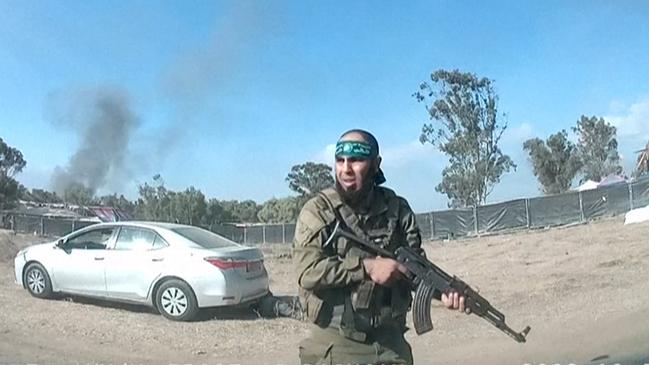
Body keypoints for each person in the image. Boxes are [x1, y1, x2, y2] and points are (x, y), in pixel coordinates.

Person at [293, 129, 467, 365]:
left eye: (356, 160)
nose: (346, 169)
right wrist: (366, 267)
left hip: (391, 345)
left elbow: (414, 270)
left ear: (376, 164)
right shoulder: (318, 211)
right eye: (340, 160)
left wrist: (442, 292)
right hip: (336, 345)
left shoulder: (397, 209)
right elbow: (307, 272)